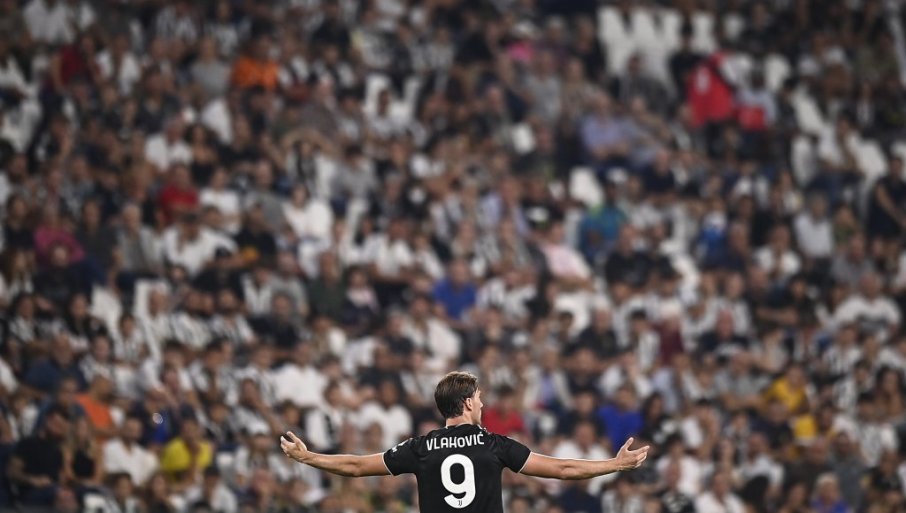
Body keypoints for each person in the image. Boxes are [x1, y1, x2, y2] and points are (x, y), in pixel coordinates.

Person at [281, 371, 649, 512]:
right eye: (480, 398)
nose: (484, 404)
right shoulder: (495, 444)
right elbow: (563, 469)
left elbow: (356, 465)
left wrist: (309, 457)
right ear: (469, 402)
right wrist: (614, 465)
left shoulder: (420, 447)